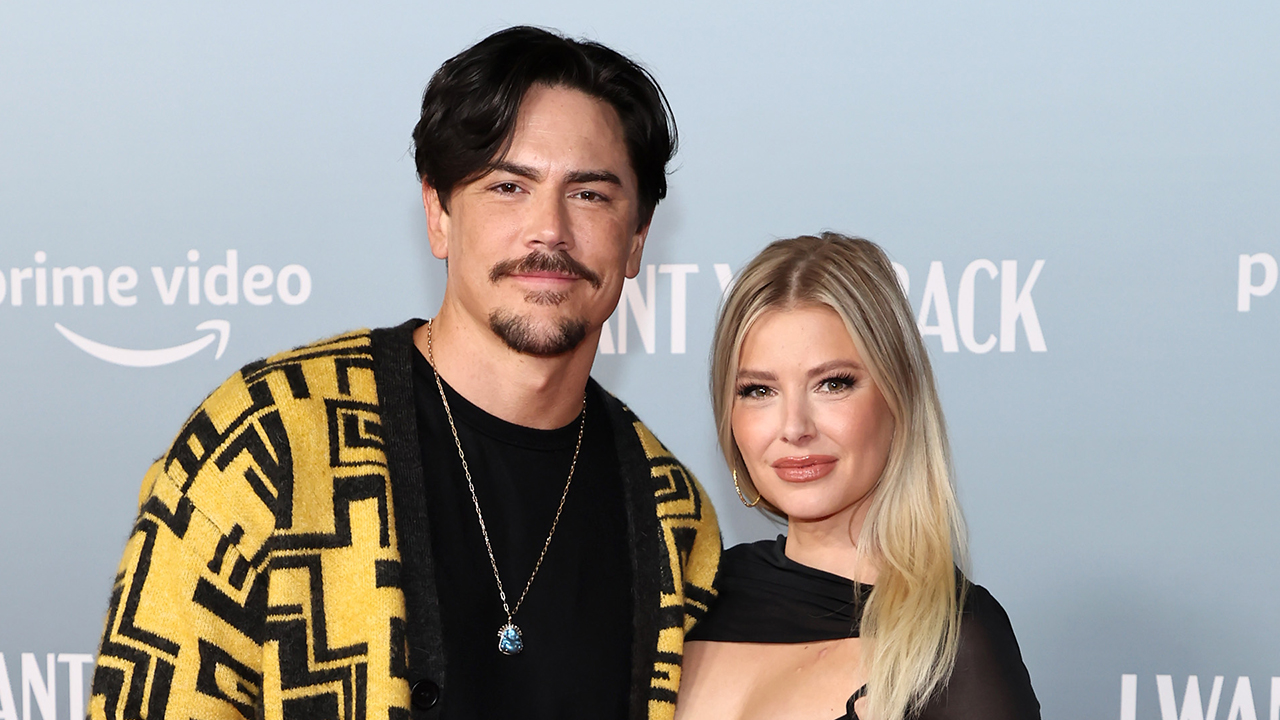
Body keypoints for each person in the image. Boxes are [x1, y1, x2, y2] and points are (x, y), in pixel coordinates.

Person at [88, 26, 720, 720]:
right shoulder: (268, 438)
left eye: (591, 195)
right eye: (508, 186)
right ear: (437, 215)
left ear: (637, 238)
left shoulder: (672, 515)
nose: (549, 230)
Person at [674, 233, 1038, 720]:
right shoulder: (688, 603)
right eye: (759, 390)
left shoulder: (953, 644)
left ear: (897, 396)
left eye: (832, 384)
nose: (794, 428)